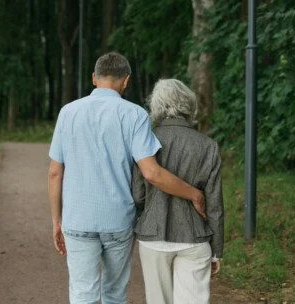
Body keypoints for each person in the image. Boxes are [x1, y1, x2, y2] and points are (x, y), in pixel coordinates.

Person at [48, 52, 206, 304]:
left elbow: (55, 172)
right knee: (114, 293)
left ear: (94, 78)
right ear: (126, 81)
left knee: (82, 293)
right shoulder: (135, 115)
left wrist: (57, 220)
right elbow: (152, 173)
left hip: (77, 219)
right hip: (117, 221)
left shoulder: (67, 113)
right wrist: (194, 194)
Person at [133, 78, 224, 304]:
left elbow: (138, 195)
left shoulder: (145, 139)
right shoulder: (208, 145)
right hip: (195, 238)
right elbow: (214, 204)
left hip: (153, 236)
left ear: (157, 105)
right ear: (189, 106)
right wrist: (217, 251)